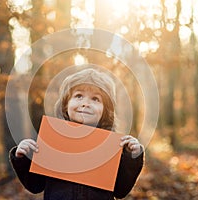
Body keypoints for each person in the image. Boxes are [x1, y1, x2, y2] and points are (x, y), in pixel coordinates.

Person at [9, 68, 144, 200]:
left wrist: (132, 157)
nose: (85, 104)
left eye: (95, 99)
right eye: (78, 96)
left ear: (105, 110)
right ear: (66, 105)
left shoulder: (112, 146)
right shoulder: (53, 140)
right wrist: (23, 159)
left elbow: (121, 190)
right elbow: (35, 185)